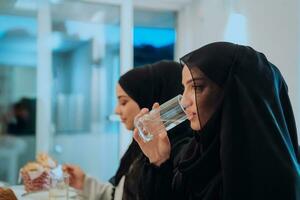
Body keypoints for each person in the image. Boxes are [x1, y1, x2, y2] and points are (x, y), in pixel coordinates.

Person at [133, 42, 300, 200]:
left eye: (196, 87)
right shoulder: (194, 155)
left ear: (234, 93)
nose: (183, 102)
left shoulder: (272, 176)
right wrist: (159, 161)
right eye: (185, 88)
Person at [64, 60, 192, 200]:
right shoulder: (141, 148)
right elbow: (121, 195)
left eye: (123, 102)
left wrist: (159, 163)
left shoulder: (180, 157)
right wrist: (84, 182)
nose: (117, 110)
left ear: (148, 100)